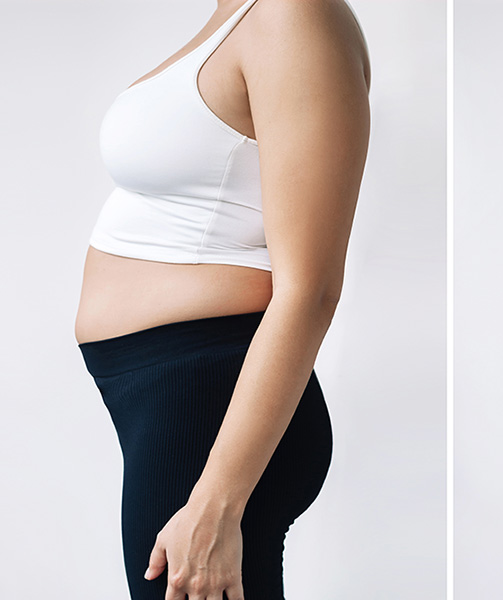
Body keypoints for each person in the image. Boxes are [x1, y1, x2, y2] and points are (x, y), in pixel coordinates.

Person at [74, 0, 370, 598]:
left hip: (210, 404)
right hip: (169, 403)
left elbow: (311, 288)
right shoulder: (235, 15)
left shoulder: (294, 15)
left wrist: (216, 500)